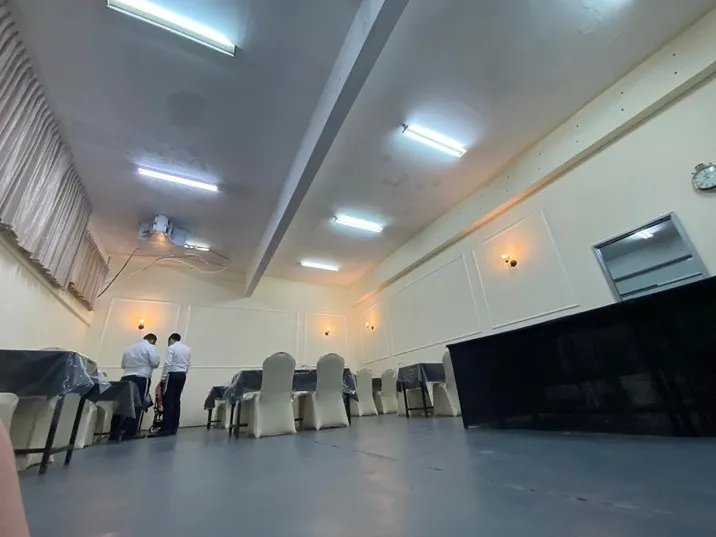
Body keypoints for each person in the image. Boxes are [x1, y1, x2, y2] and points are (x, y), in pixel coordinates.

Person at [109, 333, 160, 440]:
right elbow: (155, 363)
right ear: (153, 341)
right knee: (137, 403)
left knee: (122, 405)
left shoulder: (129, 348)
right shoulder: (150, 347)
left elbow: (123, 365)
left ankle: (114, 432)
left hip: (126, 378)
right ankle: (131, 432)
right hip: (141, 377)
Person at [157, 333, 191, 436]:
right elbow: (188, 364)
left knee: (168, 400)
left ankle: (166, 427)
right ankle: (174, 426)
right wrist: (184, 372)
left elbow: (168, 363)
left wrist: (163, 378)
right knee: (177, 399)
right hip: (182, 375)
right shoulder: (187, 349)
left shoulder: (171, 348)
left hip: (172, 374)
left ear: (171, 339)